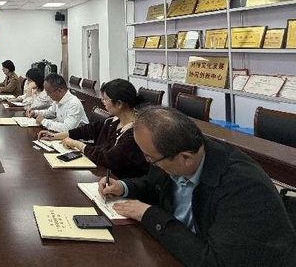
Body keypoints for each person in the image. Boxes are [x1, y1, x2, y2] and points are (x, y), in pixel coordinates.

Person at [99, 107, 296, 267]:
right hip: (177, 249)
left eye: (151, 159)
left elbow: (214, 261)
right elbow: (153, 185)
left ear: (185, 158)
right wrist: (123, 187)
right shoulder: (173, 152)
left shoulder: (243, 187)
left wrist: (149, 214)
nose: (149, 163)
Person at [38, 78, 148, 178]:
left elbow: (109, 158)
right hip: (102, 173)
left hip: (117, 181)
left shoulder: (135, 132)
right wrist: (54, 136)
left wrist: (78, 145)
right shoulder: (113, 120)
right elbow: (87, 130)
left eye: (105, 99)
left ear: (119, 104)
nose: (103, 102)